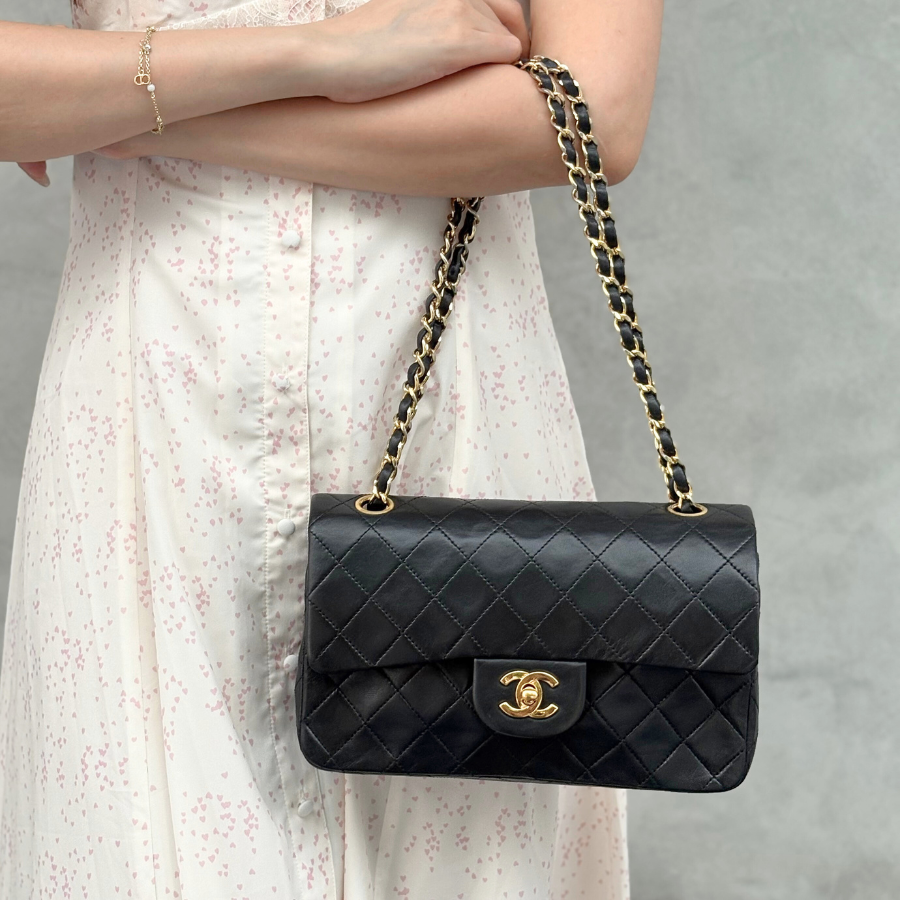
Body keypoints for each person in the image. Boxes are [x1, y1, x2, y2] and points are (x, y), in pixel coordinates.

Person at [0, 0, 663, 896]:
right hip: (145, 437)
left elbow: (588, 114)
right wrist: (323, 54)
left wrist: (139, 110)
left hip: (453, 428)